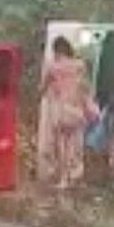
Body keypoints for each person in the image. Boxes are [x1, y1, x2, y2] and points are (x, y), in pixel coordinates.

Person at [37, 36, 97, 190]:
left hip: (61, 110)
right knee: (76, 144)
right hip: (76, 110)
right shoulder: (80, 65)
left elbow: (42, 89)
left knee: (62, 145)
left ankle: (63, 180)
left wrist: (52, 90)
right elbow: (86, 88)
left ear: (56, 50)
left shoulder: (53, 67)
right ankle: (75, 174)